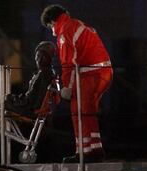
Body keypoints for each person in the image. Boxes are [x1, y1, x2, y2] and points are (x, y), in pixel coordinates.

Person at [40, 5, 113, 162]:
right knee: (87, 112)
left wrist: (67, 87)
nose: (52, 30)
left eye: (50, 26)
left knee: (78, 111)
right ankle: (95, 149)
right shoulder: (77, 24)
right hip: (102, 71)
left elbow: (68, 63)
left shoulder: (64, 32)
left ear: (52, 21)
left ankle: (85, 153)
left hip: (90, 73)